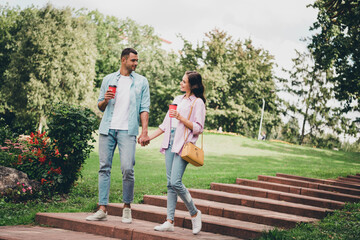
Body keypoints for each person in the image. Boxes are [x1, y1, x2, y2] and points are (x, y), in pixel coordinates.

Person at [86, 48, 150, 223]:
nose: (136, 63)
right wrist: (106, 100)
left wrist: (144, 131)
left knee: (127, 169)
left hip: (127, 130)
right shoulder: (108, 79)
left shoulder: (141, 82)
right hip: (108, 129)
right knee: (104, 168)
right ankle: (102, 209)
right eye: (133, 60)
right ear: (123, 60)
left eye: (137, 61)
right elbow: (100, 106)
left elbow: (144, 108)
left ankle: (127, 207)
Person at [148, 71, 206, 235]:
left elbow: (198, 128)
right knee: (169, 184)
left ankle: (194, 212)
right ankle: (169, 221)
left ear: (192, 85)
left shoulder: (198, 103)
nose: (180, 83)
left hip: (184, 145)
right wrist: (148, 138)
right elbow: (165, 124)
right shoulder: (177, 100)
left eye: (184, 81)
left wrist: (180, 117)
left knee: (175, 182)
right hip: (170, 142)